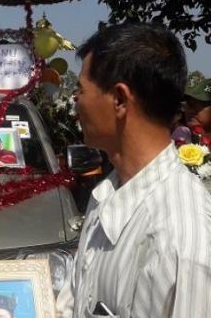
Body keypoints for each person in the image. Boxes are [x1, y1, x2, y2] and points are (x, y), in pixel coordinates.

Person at [56, 23, 211, 317]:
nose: (76, 103)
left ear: (119, 100)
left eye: (81, 91)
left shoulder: (183, 239)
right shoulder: (107, 194)